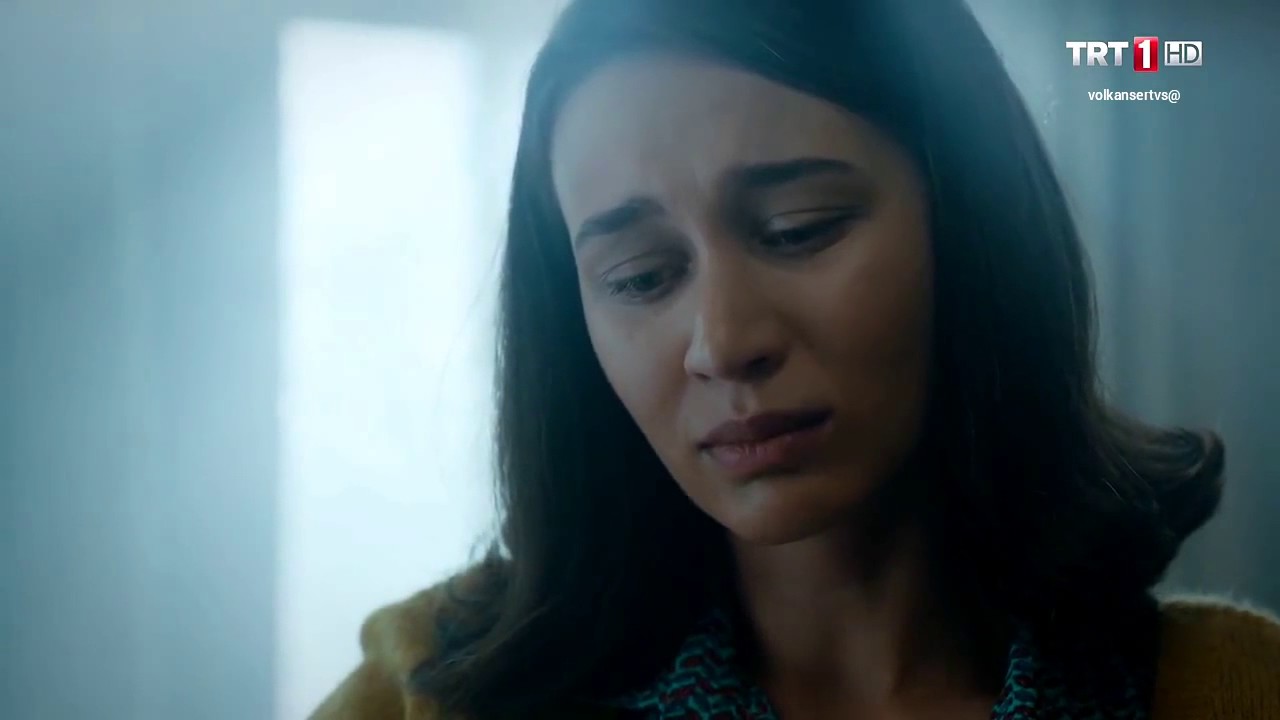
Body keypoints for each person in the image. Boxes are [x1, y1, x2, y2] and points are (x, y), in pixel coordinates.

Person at [311, 0, 1280, 718]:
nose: (724, 343)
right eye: (642, 277)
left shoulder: (1227, 692)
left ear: (973, 222)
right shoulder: (423, 698)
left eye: (797, 228)